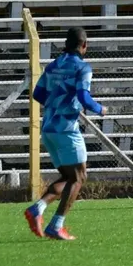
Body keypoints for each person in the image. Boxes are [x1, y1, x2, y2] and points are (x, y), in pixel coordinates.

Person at [24, 27, 106, 241]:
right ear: (84, 45)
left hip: (49, 128)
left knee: (69, 177)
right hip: (66, 129)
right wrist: (101, 109)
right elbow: (84, 98)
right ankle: (56, 225)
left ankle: (38, 208)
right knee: (79, 177)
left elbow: (38, 93)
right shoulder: (82, 68)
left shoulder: (53, 65)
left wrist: (56, 103)